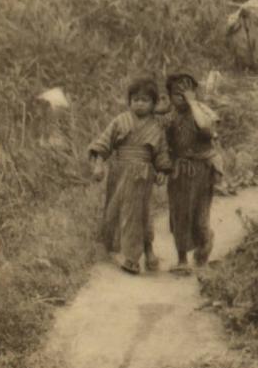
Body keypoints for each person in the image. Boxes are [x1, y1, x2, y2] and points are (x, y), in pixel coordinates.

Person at [88, 76, 171, 275]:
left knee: (139, 213)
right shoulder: (120, 121)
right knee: (114, 211)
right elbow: (103, 143)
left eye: (145, 100)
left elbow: (161, 153)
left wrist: (162, 171)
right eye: (135, 99)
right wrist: (99, 164)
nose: (139, 104)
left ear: (153, 104)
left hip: (142, 175)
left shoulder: (156, 127)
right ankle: (113, 248)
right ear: (129, 101)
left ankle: (135, 257)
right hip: (119, 172)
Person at [164, 71, 223, 273]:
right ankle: (181, 260)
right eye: (176, 94)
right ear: (170, 96)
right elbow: (164, 145)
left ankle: (204, 246)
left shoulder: (202, 111)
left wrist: (192, 103)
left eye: (186, 93)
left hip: (202, 170)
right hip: (179, 171)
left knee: (200, 215)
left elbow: (206, 129)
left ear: (194, 93)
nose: (182, 98)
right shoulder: (169, 116)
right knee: (179, 215)